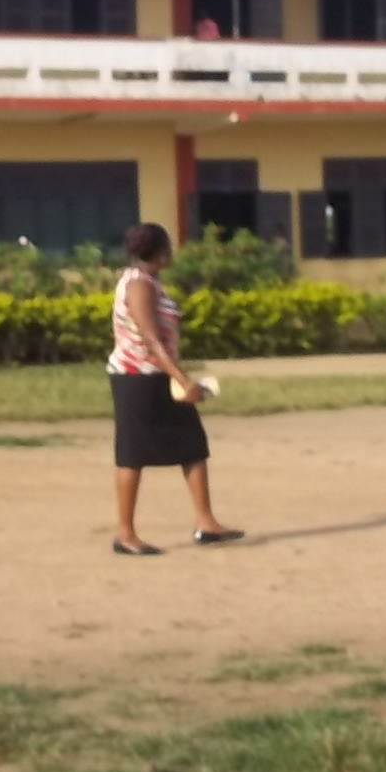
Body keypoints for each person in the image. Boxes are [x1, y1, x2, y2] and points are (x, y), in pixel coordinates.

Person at [106, 222, 242, 556]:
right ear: (162, 251)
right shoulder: (139, 285)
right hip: (136, 378)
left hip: (157, 375)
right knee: (132, 454)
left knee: (192, 445)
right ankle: (125, 534)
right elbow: (151, 340)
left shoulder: (149, 282)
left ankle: (206, 523)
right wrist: (183, 381)